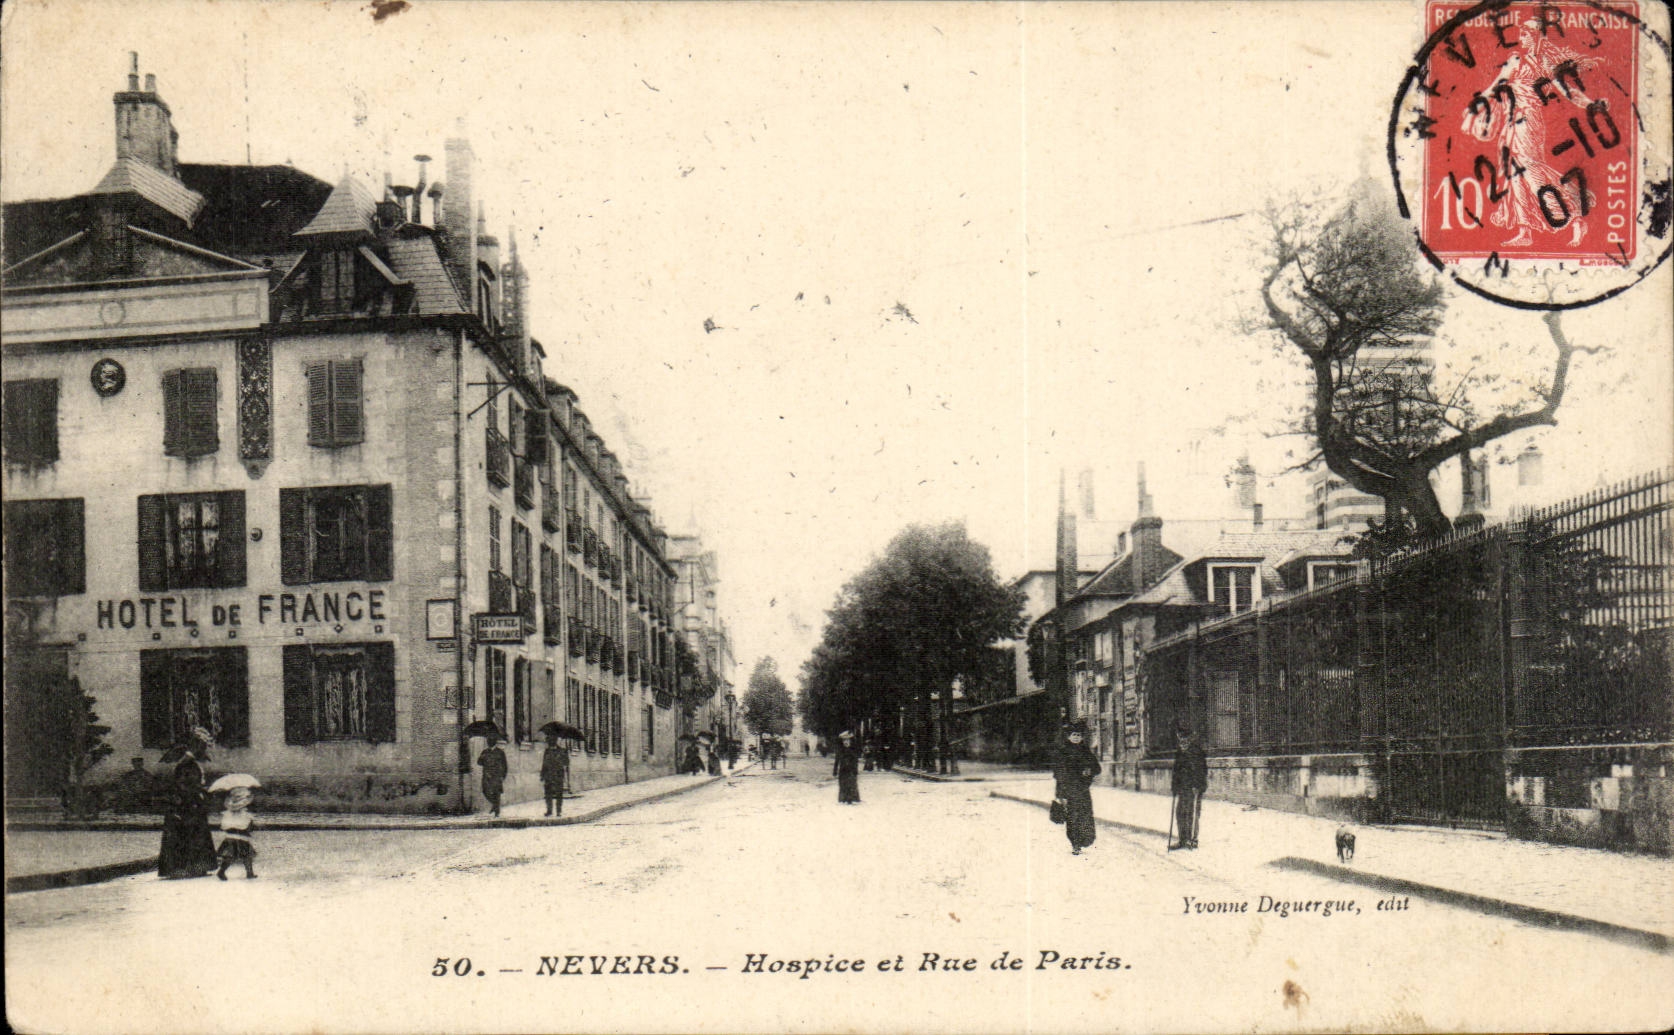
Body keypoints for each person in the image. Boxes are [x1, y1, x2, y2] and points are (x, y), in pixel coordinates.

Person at [158, 729, 217, 879]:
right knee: (186, 835)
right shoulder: (185, 764)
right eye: (202, 746)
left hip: (191, 802)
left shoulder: (191, 763)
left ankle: (195, 867)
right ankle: (182, 868)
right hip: (186, 804)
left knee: (194, 835)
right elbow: (182, 784)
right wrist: (198, 790)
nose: (203, 750)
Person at [1053, 722, 1101, 855]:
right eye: (1074, 735)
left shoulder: (1086, 751)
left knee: (1085, 816)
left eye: (1078, 735)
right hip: (1069, 790)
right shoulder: (1063, 752)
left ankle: (1084, 840)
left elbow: (1097, 768)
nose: (1076, 737)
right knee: (1072, 818)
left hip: (1083, 790)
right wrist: (1060, 794)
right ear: (1068, 736)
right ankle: (1075, 843)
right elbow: (1059, 775)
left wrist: (1089, 770)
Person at [1173, 723, 1208, 850]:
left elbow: (1202, 770)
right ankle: (1182, 839)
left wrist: (1198, 786)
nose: (1181, 741)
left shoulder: (1196, 751)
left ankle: (1193, 840)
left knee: (1192, 813)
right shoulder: (1180, 752)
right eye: (1180, 738)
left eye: (1184, 738)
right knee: (1180, 812)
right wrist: (1174, 787)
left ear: (1189, 738)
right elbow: (1176, 770)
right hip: (1183, 787)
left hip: (1194, 787)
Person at [215, 786, 257, 880]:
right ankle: (223, 871)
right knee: (245, 855)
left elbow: (224, 825)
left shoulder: (228, 812)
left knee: (233, 855)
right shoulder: (245, 813)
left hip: (231, 835)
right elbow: (248, 825)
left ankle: (249, 872)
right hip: (241, 835)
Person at [478, 735, 508, 817]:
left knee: (496, 793)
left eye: (491, 740)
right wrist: (481, 757)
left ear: (494, 742)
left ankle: (497, 812)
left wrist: (503, 776)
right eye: (488, 740)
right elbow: (479, 763)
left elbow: (505, 765)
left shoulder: (500, 752)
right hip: (486, 776)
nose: (489, 742)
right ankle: (495, 805)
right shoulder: (484, 752)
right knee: (485, 791)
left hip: (496, 776)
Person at [540, 736, 569, 817]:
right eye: (548, 741)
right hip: (548, 775)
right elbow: (544, 763)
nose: (549, 743)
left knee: (559, 794)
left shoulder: (562, 751)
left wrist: (562, 758)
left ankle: (558, 811)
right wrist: (542, 774)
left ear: (555, 741)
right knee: (548, 794)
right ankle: (549, 810)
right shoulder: (547, 751)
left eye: (551, 741)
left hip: (558, 775)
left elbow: (566, 763)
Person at [833, 730, 861, 804]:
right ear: (842, 741)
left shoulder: (853, 750)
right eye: (844, 740)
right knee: (843, 784)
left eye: (847, 740)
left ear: (850, 741)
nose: (846, 742)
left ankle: (852, 799)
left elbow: (855, 761)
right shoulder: (840, 750)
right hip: (843, 770)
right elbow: (837, 761)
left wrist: (856, 770)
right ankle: (843, 799)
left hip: (851, 770)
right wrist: (835, 771)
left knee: (852, 783)